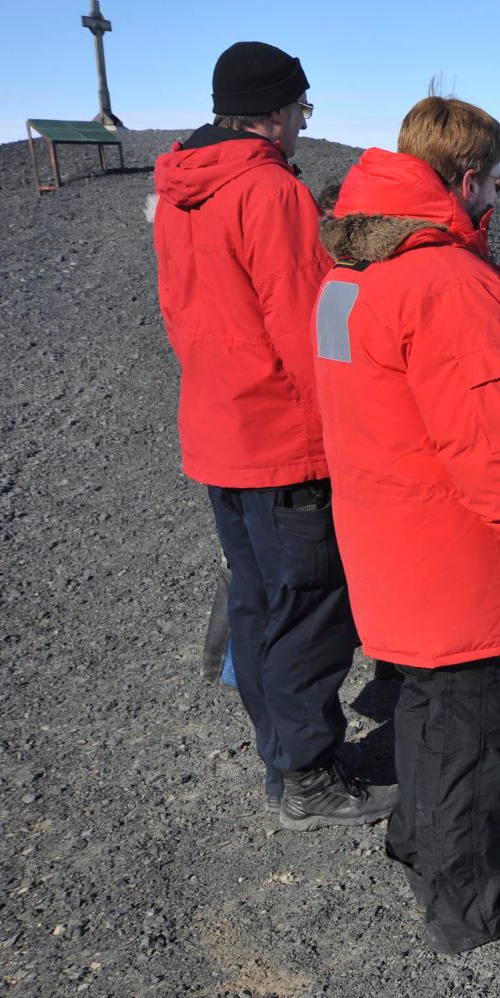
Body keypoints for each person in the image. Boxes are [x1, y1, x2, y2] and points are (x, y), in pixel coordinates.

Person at [313, 95, 500, 953]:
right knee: (471, 730)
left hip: (385, 533)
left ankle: (419, 843)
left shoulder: (350, 273)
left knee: (425, 702)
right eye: (499, 178)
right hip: (455, 554)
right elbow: (496, 456)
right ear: (467, 178)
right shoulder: (450, 285)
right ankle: (474, 902)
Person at [152, 41, 395, 830]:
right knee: (312, 607)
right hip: (283, 441)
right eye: (302, 109)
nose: (302, 124)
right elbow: (304, 331)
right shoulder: (270, 194)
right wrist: (350, 437)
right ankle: (310, 778)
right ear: (276, 113)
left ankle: (281, 760)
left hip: (217, 430)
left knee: (257, 603)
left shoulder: (182, 190)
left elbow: (179, 313)